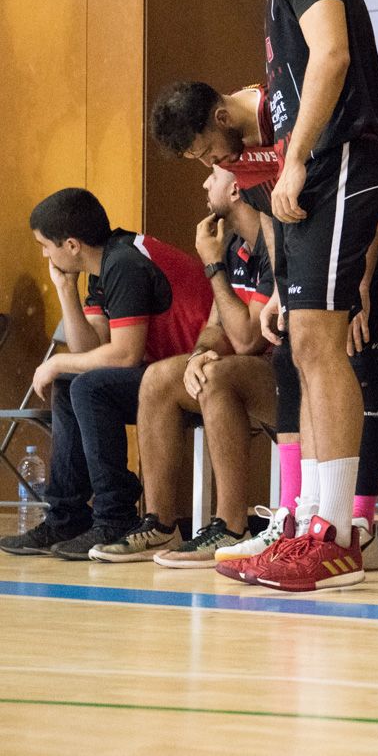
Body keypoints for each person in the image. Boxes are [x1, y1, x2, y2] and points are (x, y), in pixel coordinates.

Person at [149, 77, 378, 577]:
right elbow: (279, 222)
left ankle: (357, 528)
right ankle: (301, 518)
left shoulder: (286, 101)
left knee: (358, 352)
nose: (208, 165)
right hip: (319, 223)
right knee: (294, 350)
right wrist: (283, 290)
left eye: (205, 153)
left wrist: (359, 282)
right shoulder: (232, 153)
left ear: (220, 119)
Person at [218, 0, 378, 590]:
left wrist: (292, 163)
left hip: (339, 163)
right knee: (307, 342)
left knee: (322, 346)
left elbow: (334, 53)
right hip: (318, 172)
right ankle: (313, 521)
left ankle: (338, 534)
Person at [0, 189, 209, 559]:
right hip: (163, 377)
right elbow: (89, 352)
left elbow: (124, 355)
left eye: (45, 246)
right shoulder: (102, 266)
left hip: (200, 375)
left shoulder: (124, 263)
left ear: (71, 244)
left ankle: (115, 517)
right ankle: (67, 517)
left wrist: (56, 362)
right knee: (72, 386)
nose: (45, 254)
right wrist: (66, 289)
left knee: (88, 388)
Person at [85, 167, 276, 565]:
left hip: (288, 380)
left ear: (238, 188)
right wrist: (198, 353)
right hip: (248, 371)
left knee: (218, 375)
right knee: (158, 377)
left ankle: (231, 525)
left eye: (214, 176)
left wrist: (212, 267)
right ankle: (161, 525)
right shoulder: (232, 244)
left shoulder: (272, 242)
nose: (205, 183)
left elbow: (247, 339)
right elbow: (214, 326)